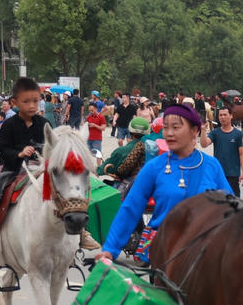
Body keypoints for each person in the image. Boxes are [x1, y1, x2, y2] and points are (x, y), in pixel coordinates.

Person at [95, 103, 229, 265]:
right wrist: (110, 249)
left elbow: (229, 208)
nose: (169, 133)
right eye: (165, 128)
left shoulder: (211, 166)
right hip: (167, 255)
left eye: (176, 127)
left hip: (204, 255)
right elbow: (131, 208)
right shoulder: (154, 167)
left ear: (194, 130)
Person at [0, 78, 100, 250]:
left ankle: (82, 232)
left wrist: (42, 156)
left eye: (35, 101)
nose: (32, 105)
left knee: (71, 188)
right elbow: (2, 151)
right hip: (13, 168)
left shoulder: (44, 124)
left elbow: (52, 148)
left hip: (39, 168)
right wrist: (19, 153)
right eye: (26, 101)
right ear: (14, 102)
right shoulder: (8, 125)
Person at [202, 105, 243, 195]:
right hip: (218, 173)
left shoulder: (238, 134)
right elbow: (204, 144)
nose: (222, 117)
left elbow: (242, 154)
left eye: (225, 115)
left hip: (233, 174)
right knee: (219, 203)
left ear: (231, 116)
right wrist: (203, 130)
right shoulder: (215, 133)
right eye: (220, 115)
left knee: (234, 202)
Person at [102, 116, 151, 181]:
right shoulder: (154, 148)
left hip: (128, 184)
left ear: (130, 132)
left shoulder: (121, 151)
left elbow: (106, 169)